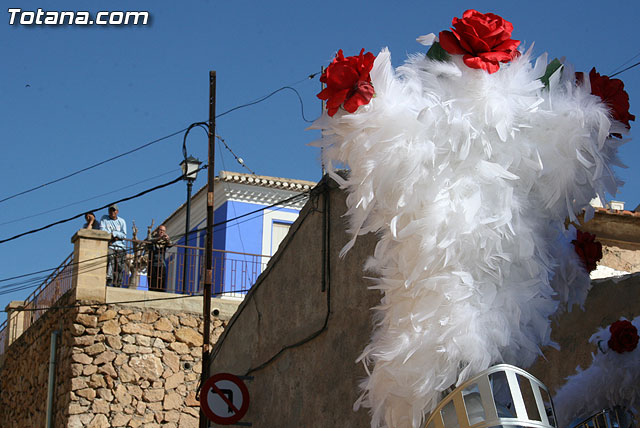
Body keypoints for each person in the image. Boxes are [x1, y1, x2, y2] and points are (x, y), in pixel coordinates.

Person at [100, 204, 127, 287]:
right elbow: (102, 230)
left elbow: (124, 235)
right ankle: (109, 280)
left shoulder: (121, 221)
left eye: (113, 210)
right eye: (110, 210)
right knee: (110, 260)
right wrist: (113, 236)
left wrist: (114, 233)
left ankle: (118, 283)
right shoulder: (104, 218)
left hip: (120, 247)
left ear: (117, 212)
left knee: (119, 266)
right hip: (110, 246)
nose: (112, 212)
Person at [146, 225, 172, 291]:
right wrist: (159, 238)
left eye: (163, 231)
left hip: (161, 264)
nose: (161, 232)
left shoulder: (164, 241)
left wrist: (168, 239)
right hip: (152, 264)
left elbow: (170, 244)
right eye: (160, 230)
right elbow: (150, 240)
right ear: (157, 231)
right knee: (152, 281)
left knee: (161, 281)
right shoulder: (152, 238)